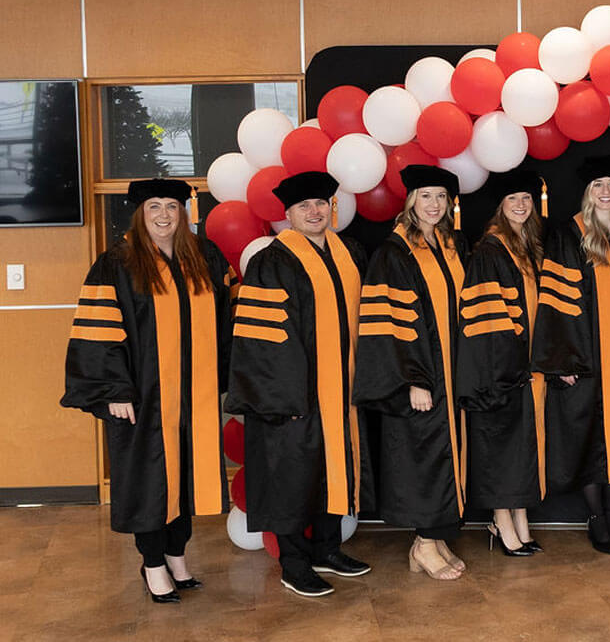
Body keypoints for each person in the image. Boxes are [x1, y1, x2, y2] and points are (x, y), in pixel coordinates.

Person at [62, 178, 232, 603]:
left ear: (183, 213)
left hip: (194, 396)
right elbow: (100, 332)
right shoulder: (117, 263)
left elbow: (228, 322)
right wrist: (114, 389)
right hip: (144, 399)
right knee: (150, 480)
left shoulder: (206, 257)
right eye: (154, 207)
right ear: (140, 214)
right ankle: (152, 562)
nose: (163, 215)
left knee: (187, 479)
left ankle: (177, 554)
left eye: (172, 207)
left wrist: (229, 377)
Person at [226, 171, 370, 598]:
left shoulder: (350, 254)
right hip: (294, 396)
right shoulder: (273, 260)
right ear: (287, 214)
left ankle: (327, 548)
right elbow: (262, 337)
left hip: (341, 393)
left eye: (321, 203)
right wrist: (283, 396)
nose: (314, 211)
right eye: (304, 206)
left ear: (332, 208)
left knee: (331, 473)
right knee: (291, 478)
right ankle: (293, 562)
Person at [531, 155, 610, 554]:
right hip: (587, 360)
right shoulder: (570, 235)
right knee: (591, 441)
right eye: (597, 185)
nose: (605, 192)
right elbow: (556, 302)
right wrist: (564, 361)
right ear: (588, 193)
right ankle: (596, 518)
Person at [352, 164, 470, 580]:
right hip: (422, 377)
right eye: (425, 196)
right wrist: (413, 379)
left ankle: (435, 540)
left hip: (452, 375)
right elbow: (390, 322)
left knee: (445, 455)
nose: (434, 204)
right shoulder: (394, 253)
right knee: (424, 457)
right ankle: (422, 542)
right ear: (410, 202)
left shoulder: (451, 245)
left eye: (441, 197)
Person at [456, 167, 548, 558]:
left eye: (527, 199)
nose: (522, 205)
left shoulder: (527, 248)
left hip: (523, 371)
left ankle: (520, 520)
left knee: (519, 449)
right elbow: (488, 319)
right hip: (499, 370)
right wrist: (506, 369)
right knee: (500, 448)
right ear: (500, 206)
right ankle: (501, 521)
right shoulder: (491, 251)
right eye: (513, 200)